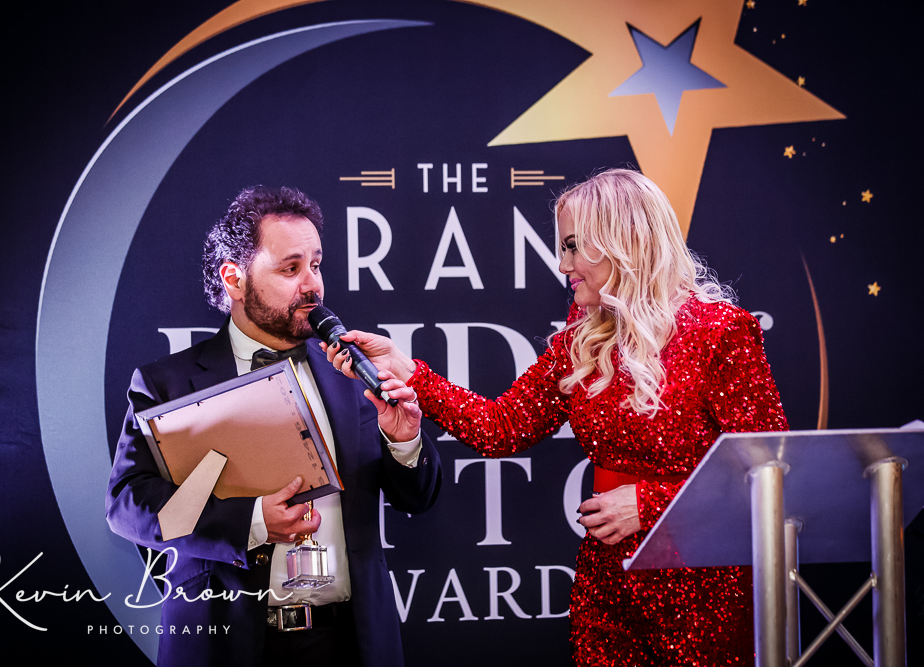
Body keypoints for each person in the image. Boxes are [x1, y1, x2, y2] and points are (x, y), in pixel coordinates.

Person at [324, 169, 788, 666]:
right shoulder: (581, 339)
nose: (562, 263)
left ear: (622, 241)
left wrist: (653, 505)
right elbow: (501, 427)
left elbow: (769, 474)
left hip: (703, 589)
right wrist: (408, 370)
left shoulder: (721, 333)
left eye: (572, 246)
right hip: (608, 584)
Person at [106, 185, 441, 667]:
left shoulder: (351, 373)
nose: (313, 284)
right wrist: (254, 521)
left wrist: (406, 439)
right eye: (291, 268)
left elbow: (419, 497)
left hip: (352, 644)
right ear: (234, 279)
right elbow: (126, 506)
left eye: (317, 264)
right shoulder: (168, 383)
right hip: (227, 647)